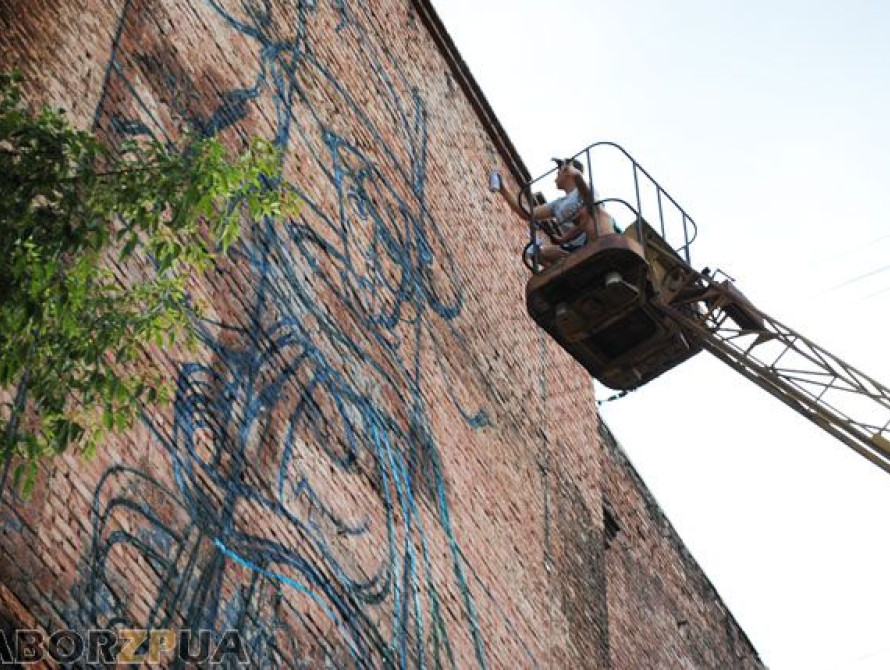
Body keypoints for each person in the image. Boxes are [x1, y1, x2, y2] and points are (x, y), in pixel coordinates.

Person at [496, 157, 614, 269]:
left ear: (568, 172)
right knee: (537, 253)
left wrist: (577, 175)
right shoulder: (557, 204)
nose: (555, 178)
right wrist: (503, 189)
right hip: (573, 248)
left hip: (594, 239)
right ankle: (568, 271)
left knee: (593, 212)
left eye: (559, 173)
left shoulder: (585, 189)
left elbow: (591, 207)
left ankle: (596, 251)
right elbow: (527, 213)